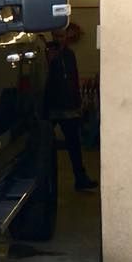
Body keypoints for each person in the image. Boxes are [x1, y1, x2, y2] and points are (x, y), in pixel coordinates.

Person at [46, 22, 97, 191]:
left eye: (62, 37)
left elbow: (73, 80)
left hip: (68, 107)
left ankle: (80, 179)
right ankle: (46, 184)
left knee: (74, 146)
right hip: (50, 107)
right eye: (56, 37)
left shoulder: (69, 55)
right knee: (44, 147)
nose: (60, 40)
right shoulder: (47, 55)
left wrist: (78, 102)